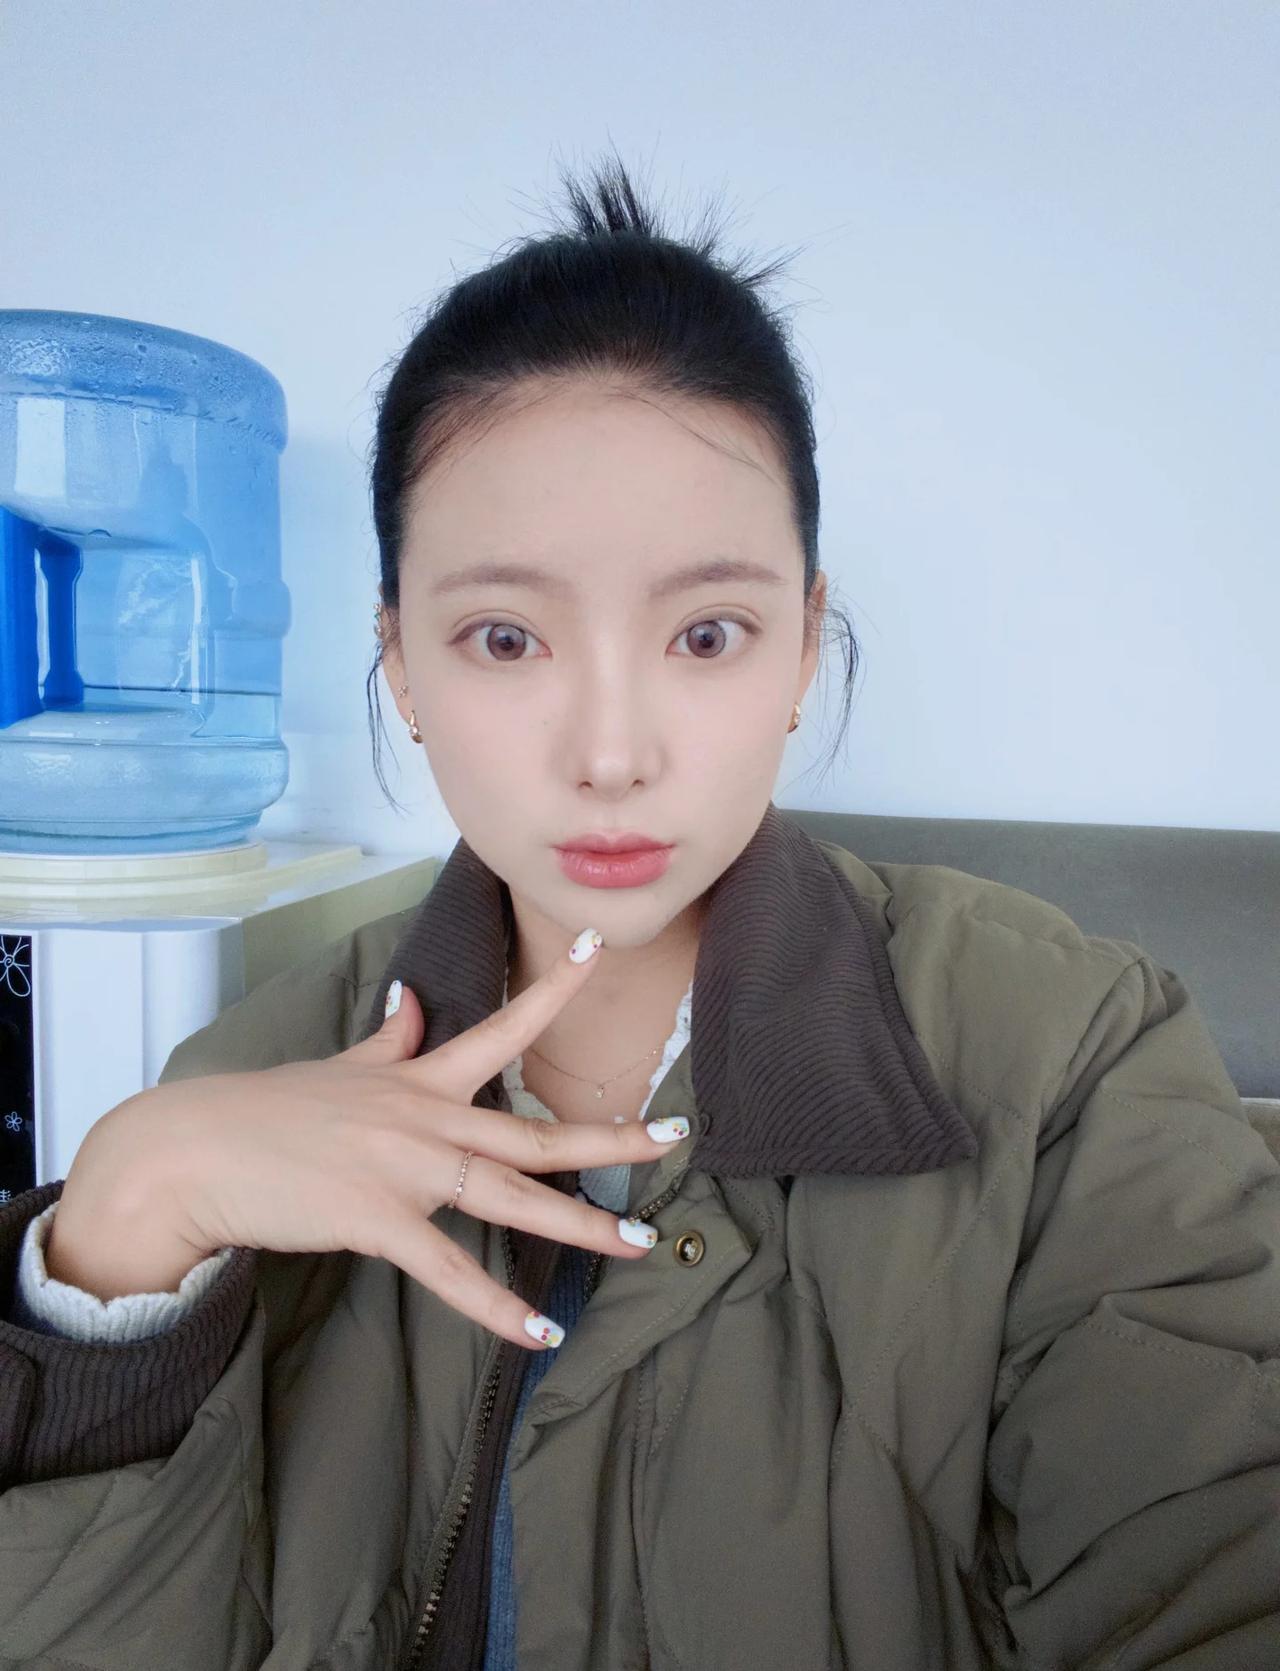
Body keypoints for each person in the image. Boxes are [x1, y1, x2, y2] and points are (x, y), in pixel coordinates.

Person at [0, 149, 1276, 1671]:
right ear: (399, 662)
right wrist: (124, 1225)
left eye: (708, 634)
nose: (611, 754)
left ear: (806, 645)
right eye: (505, 638)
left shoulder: (1073, 1056)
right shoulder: (248, 1073)